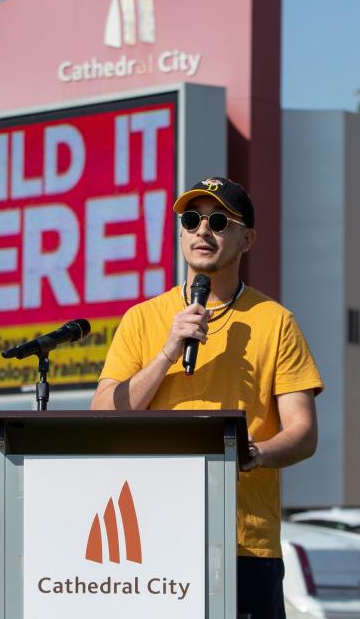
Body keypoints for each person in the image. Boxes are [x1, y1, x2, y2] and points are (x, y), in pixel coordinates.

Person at [91, 177, 322, 619]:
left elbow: (304, 432)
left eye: (219, 221)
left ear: (247, 239)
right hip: (153, 539)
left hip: (243, 542)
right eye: (192, 220)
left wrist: (251, 454)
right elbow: (104, 413)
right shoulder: (142, 319)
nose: (202, 231)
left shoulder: (277, 322)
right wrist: (167, 352)